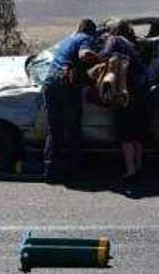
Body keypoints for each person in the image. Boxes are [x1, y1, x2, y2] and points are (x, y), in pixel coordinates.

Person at [42, 18, 99, 183]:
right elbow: (85, 55)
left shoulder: (67, 39)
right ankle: (75, 172)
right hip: (66, 84)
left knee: (54, 130)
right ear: (91, 31)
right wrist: (101, 59)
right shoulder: (86, 39)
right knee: (73, 129)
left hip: (50, 83)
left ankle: (51, 173)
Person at [96, 20, 149, 179]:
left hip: (124, 91)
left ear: (114, 30)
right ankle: (138, 166)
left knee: (125, 133)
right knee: (137, 133)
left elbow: (103, 56)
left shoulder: (115, 40)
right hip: (140, 92)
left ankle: (130, 169)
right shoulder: (133, 45)